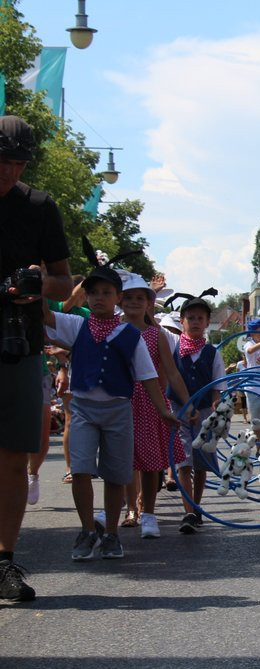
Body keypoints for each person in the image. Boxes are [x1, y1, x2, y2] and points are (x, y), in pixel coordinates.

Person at [43, 264, 179, 561]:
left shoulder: (129, 334)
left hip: (118, 410)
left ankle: (112, 535)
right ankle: (87, 529)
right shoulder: (76, 325)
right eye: (93, 293)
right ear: (86, 297)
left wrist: (163, 411)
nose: (99, 298)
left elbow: (148, 376)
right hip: (83, 409)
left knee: (116, 475)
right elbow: (46, 315)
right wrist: (42, 281)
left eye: (106, 293)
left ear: (117, 297)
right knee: (80, 470)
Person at [0, 116, 74, 600]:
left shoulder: (39, 207)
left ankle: (4, 560)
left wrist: (36, 285)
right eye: (4, 161)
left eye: (19, 163)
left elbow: (65, 283)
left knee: (11, 457)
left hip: (17, 345)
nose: (11, 171)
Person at [118, 271, 193, 539]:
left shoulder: (156, 334)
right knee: (124, 460)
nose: (135, 302)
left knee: (150, 463)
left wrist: (187, 403)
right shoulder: (113, 329)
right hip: (119, 401)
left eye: (141, 298)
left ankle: (148, 512)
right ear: (120, 299)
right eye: (129, 297)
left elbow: (172, 372)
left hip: (151, 402)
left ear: (150, 303)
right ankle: (130, 509)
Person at [169, 292, 226, 534]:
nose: (194, 322)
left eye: (200, 318)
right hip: (178, 410)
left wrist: (215, 404)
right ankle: (188, 510)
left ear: (206, 322)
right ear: (181, 321)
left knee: (201, 461)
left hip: (203, 412)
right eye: (190, 317)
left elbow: (218, 384)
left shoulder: (212, 352)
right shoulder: (172, 347)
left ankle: (197, 505)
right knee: (184, 461)